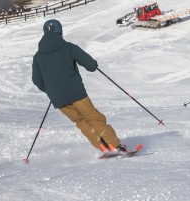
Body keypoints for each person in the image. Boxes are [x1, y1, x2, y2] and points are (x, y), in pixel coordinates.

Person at [32, 19, 126, 153]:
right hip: (76, 93)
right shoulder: (68, 47)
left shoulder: (38, 56)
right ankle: (116, 146)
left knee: (80, 121)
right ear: (60, 32)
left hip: (57, 98)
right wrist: (91, 64)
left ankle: (103, 147)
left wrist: (50, 90)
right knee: (94, 118)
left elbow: (36, 80)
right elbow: (91, 66)